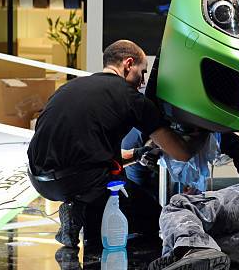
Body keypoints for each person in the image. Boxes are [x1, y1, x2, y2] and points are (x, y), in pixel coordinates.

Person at [27, 40, 196, 247]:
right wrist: (201, 133)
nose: (142, 82)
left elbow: (97, 155)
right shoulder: (131, 98)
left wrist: (137, 154)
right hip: (82, 180)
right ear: (128, 64)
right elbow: (181, 154)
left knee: (102, 180)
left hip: (39, 180)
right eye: (142, 72)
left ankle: (78, 210)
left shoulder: (70, 87)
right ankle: (85, 213)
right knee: (153, 218)